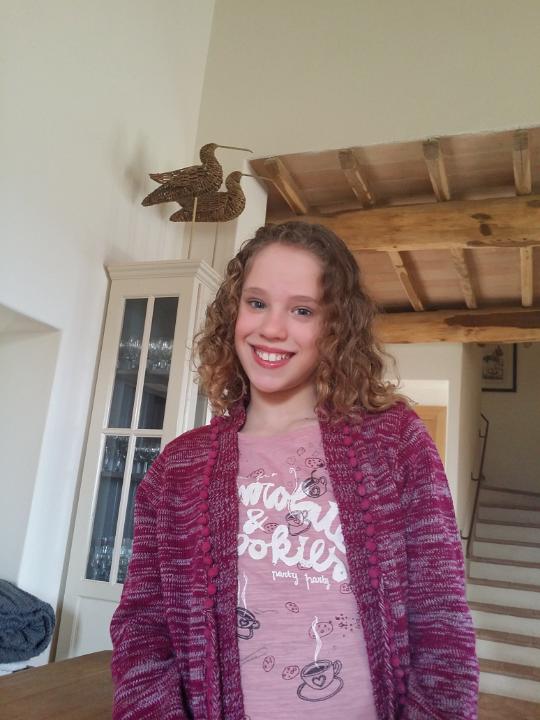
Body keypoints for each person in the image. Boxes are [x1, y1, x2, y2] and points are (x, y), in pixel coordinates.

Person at [110, 221, 479, 719]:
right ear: (233, 312)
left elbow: (442, 624)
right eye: (256, 302)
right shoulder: (177, 469)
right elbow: (142, 631)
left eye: (302, 310)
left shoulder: (395, 442)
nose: (272, 328)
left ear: (335, 326)